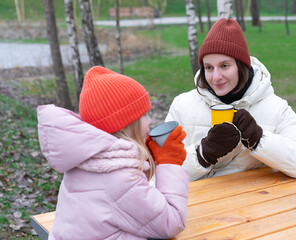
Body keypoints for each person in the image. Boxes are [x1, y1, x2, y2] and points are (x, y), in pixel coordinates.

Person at [37, 66, 189, 239]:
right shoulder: (119, 177)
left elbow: (123, 204)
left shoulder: (87, 159)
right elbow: (171, 222)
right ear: (125, 124)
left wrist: (145, 157)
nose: (150, 120)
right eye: (143, 114)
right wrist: (169, 162)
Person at [165, 18, 296, 182]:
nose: (216, 77)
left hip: (254, 203)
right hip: (194, 204)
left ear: (241, 66)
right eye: (209, 67)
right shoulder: (182, 105)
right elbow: (161, 171)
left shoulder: (275, 108)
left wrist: (260, 139)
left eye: (224, 66)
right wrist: (202, 155)